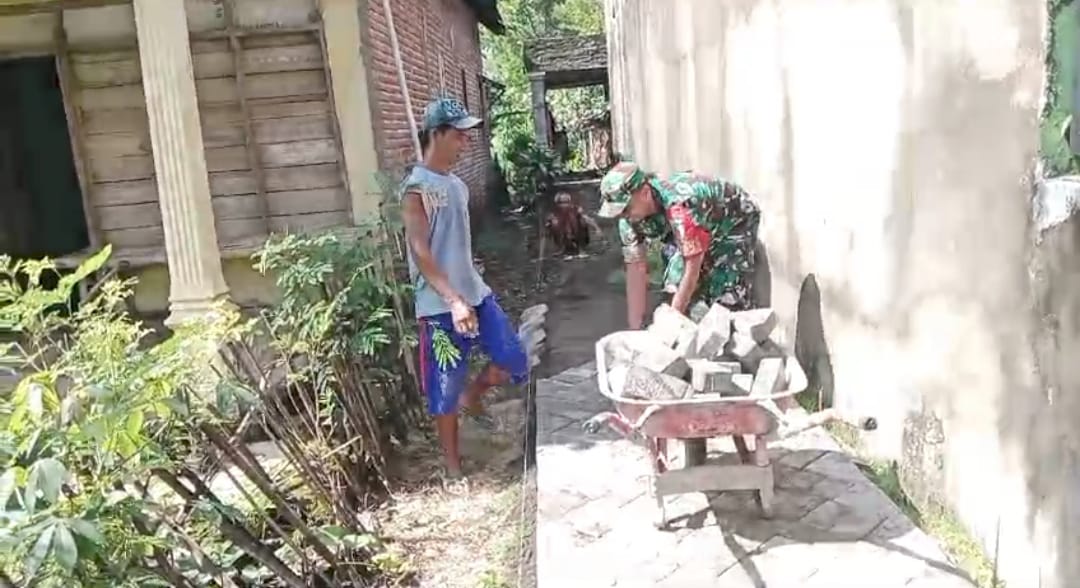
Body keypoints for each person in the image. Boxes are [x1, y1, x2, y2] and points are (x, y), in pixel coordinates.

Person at [400, 97, 529, 480]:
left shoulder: (457, 185)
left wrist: (468, 273)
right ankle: (454, 468)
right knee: (445, 386)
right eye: (459, 135)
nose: (465, 143)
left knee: (513, 357)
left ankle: (472, 396)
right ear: (437, 134)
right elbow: (421, 252)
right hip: (439, 306)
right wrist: (453, 300)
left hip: (475, 292)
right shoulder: (416, 190)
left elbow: (454, 241)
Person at [596, 160, 761, 329]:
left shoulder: (680, 207)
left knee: (726, 295)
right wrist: (635, 327)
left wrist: (672, 322)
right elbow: (635, 268)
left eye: (625, 208)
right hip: (690, 224)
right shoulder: (628, 219)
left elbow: (692, 267)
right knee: (675, 283)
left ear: (645, 193)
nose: (623, 216)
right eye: (618, 212)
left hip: (731, 220)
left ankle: (742, 329)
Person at [545, 191, 601, 258]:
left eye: (566, 202)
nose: (564, 205)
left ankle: (581, 249)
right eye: (561, 203)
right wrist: (549, 226)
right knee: (554, 224)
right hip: (563, 234)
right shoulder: (555, 212)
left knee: (581, 221)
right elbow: (548, 223)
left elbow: (587, 218)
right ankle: (563, 248)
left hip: (576, 232)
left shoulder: (575, 209)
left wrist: (597, 228)